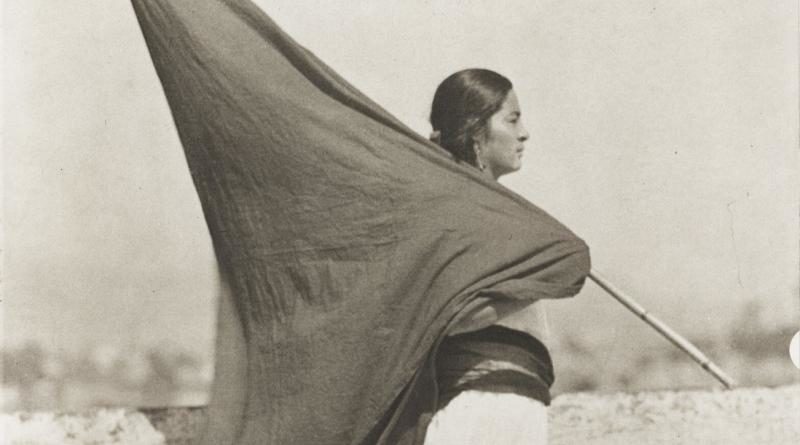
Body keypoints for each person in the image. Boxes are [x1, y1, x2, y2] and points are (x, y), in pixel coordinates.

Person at [424, 69, 552, 445]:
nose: (524, 132)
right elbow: (440, 316)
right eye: (512, 119)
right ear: (477, 131)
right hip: (479, 410)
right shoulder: (453, 214)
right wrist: (532, 282)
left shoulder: (498, 216)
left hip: (516, 408)